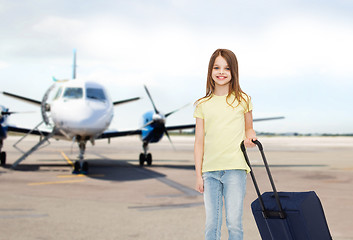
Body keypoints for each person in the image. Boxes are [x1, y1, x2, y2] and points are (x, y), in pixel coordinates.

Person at [193, 49, 257, 240]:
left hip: (235, 169)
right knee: (212, 225)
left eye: (227, 68)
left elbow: (249, 129)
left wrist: (250, 138)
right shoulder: (202, 104)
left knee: (234, 224)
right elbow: (199, 142)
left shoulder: (243, 100)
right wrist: (198, 175)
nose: (221, 72)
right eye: (217, 67)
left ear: (233, 71)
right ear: (210, 71)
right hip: (210, 172)